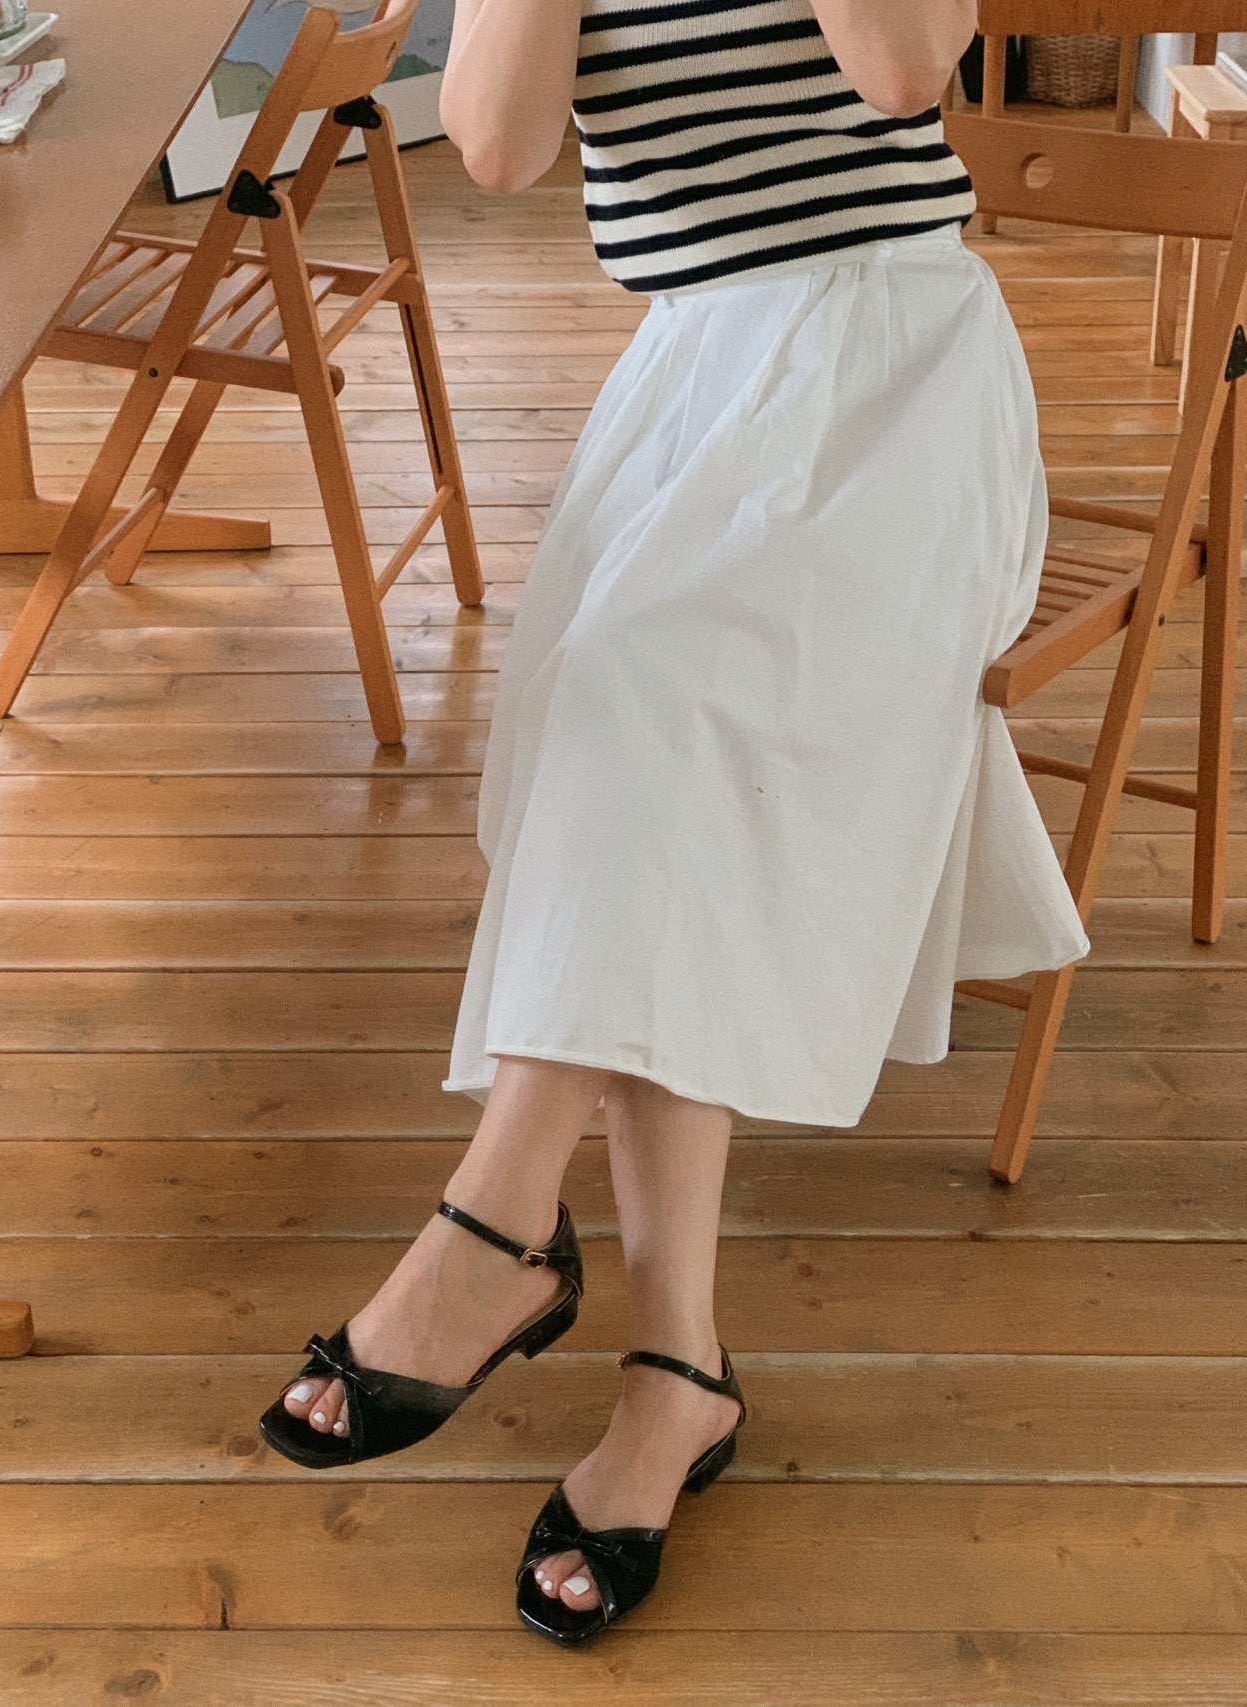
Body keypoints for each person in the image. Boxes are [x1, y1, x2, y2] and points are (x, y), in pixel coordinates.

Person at [259, 0, 1092, 1645]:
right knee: (642, 752)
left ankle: (498, 1225)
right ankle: (674, 1373)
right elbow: (500, 146)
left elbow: (904, 70)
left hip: (899, 379)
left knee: (640, 710)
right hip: (697, 386)